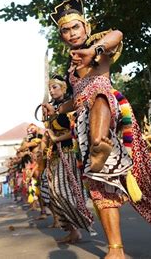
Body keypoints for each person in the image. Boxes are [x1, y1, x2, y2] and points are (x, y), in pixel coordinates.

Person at [43, 0, 151, 258]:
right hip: (84, 125)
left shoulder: (99, 45)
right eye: (66, 30)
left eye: (76, 27)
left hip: (107, 111)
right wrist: (56, 110)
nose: (72, 33)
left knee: (98, 92)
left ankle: (100, 143)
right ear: (61, 36)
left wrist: (93, 50)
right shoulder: (69, 68)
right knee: (99, 185)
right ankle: (115, 249)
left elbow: (117, 35)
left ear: (86, 27)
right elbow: (74, 102)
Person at [41, 74, 94, 243]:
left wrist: (56, 138)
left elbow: (77, 129)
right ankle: (72, 230)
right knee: (53, 194)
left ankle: (82, 221)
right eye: (50, 88)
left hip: (70, 153)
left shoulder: (70, 105)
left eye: (55, 87)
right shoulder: (53, 107)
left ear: (64, 88)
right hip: (55, 155)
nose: (51, 90)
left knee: (63, 191)